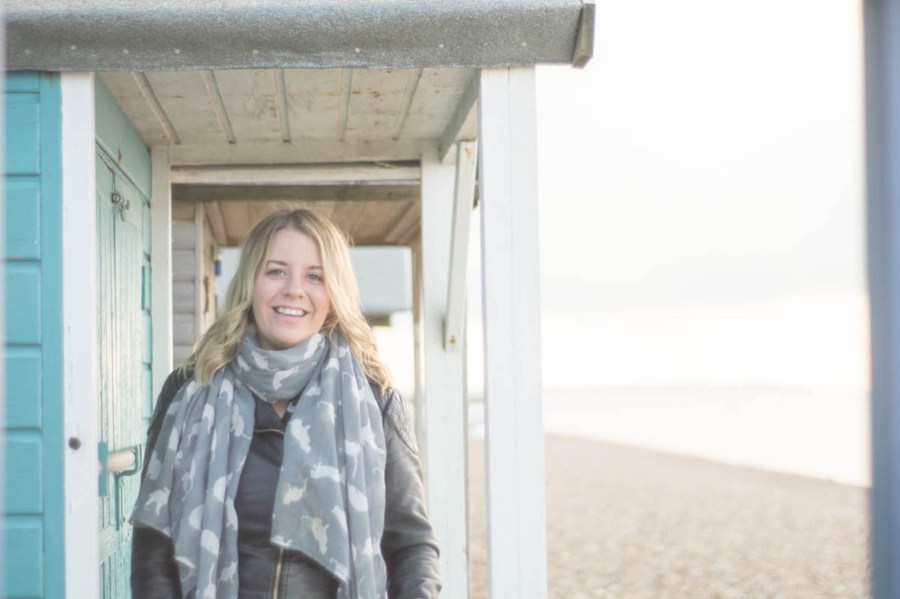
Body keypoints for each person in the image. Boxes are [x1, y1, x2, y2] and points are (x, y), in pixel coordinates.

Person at [130, 209, 441, 598]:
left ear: (334, 294)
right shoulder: (190, 389)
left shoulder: (375, 401)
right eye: (276, 271)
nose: (294, 289)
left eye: (315, 276)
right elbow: (154, 545)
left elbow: (411, 545)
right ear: (250, 283)